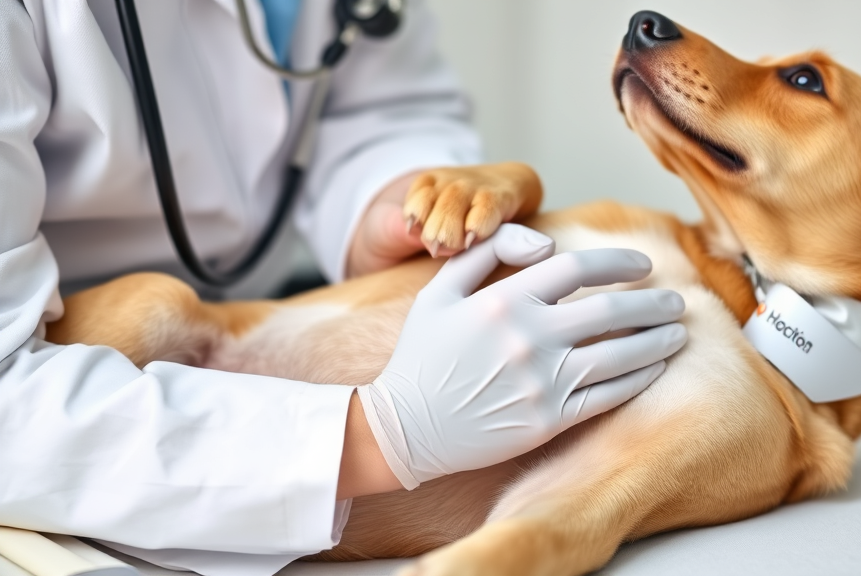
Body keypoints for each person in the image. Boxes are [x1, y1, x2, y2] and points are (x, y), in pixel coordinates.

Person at [0, 1, 688, 575]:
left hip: (252, 307)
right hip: (64, 388)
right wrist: (383, 438)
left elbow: (380, 112)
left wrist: (407, 207)